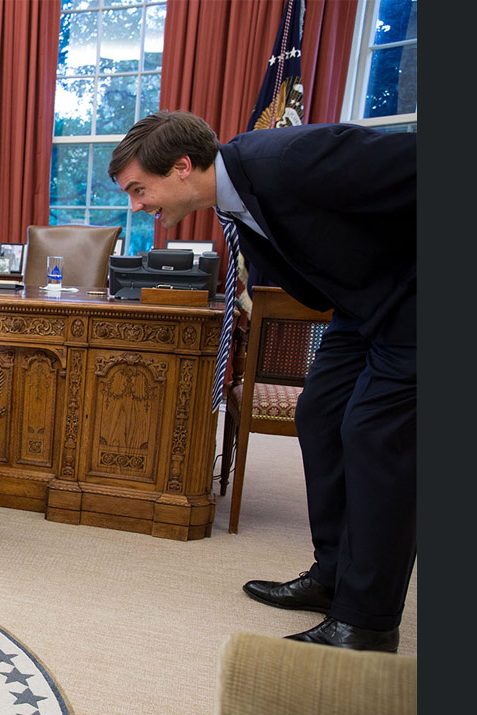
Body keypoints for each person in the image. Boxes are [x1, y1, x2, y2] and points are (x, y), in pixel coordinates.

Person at [108, 111, 415, 653]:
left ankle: (365, 623)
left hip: (413, 299)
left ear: (182, 167)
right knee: (319, 415)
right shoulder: (233, 199)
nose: (137, 205)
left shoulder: (290, 160)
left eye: (139, 188)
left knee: (376, 434)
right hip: (359, 307)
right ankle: (333, 575)